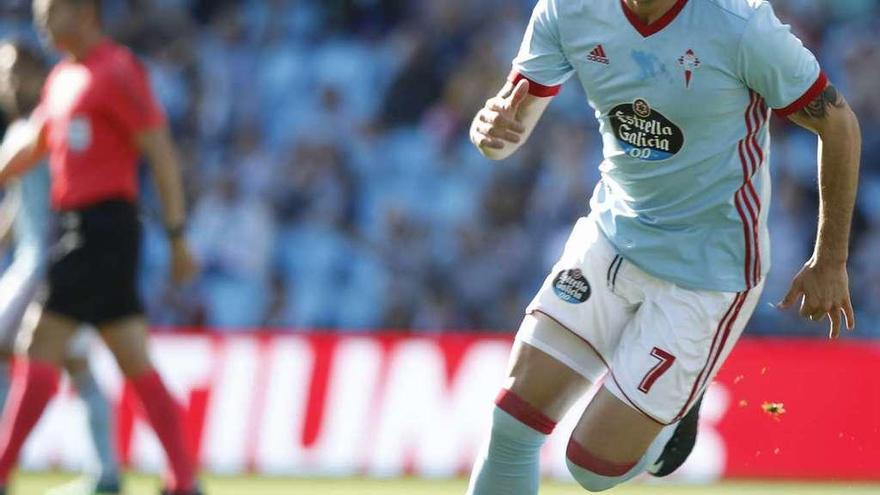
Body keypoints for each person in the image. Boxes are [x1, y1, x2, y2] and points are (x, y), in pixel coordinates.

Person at [465, 0, 860, 493]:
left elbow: (839, 123)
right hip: (611, 238)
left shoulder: (741, 24)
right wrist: (489, 132)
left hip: (708, 273)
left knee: (589, 468)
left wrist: (831, 259)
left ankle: (676, 414)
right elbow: (507, 131)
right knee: (512, 423)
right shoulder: (567, 9)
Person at [0, 0, 202, 493]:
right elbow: (37, 143)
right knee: (133, 357)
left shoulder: (118, 71)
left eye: (51, 11)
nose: (42, 22)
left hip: (101, 227)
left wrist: (177, 235)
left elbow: (160, 153)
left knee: (36, 343)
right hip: (80, 227)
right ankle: (184, 479)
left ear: (85, 12)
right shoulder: (63, 78)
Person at [0, 39, 121, 495]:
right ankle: (105, 472)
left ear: (37, 74)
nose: (9, 82)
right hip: (36, 263)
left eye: (17, 72)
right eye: (3, 74)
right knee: (77, 365)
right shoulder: (26, 128)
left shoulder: (50, 125)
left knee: (51, 361)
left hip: (47, 266)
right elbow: (19, 203)